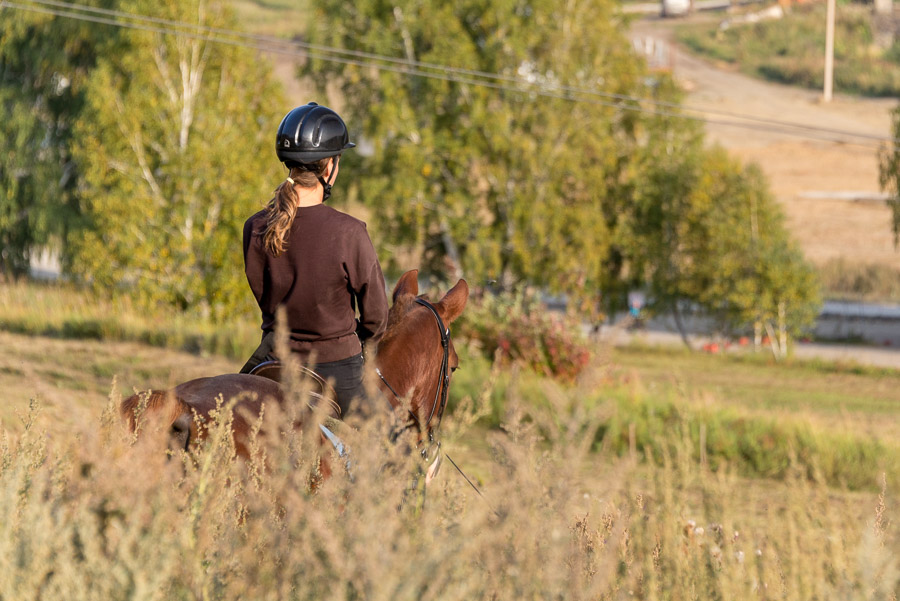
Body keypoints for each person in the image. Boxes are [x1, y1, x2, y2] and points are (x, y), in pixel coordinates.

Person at [240, 102, 389, 417]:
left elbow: (262, 293)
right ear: (330, 167)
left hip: (271, 358)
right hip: (338, 367)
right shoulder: (350, 233)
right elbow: (377, 317)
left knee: (223, 420)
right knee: (394, 450)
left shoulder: (254, 227)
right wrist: (355, 339)